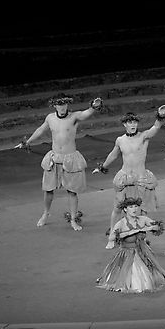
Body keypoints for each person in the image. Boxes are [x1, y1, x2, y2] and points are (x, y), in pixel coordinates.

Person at [14, 93, 103, 231]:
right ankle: (45, 213)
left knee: (72, 191)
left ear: (67, 104)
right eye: (59, 104)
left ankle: (73, 219)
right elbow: (40, 130)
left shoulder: (74, 117)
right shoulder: (50, 118)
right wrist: (27, 141)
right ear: (54, 105)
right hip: (54, 157)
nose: (62, 107)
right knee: (48, 190)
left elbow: (86, 114)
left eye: (64, 104)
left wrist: (93, 107)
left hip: (70, 158)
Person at [92, 106, 165, 239]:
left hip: (141, 178)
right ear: (124, 124)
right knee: (118, 207)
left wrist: (160, 115)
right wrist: (102, 167)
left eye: (135, 122)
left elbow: (156, 128)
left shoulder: (144, 136)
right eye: (129, 122)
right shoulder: (120, 140)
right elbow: (113, 154)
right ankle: (112, 232)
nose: (133, 125)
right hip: (125, 178)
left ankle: (141, 238)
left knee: (142, 210)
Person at [96, 197, 165, 293]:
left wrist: (150, 227)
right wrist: (130, 232)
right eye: (131, 207)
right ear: (125, 209)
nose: (134, 209)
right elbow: (111, 238)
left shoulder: (143, 219)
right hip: (128, 254)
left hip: (143, 251)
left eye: (136, 206)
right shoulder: (121, 223)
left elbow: (158, 227)